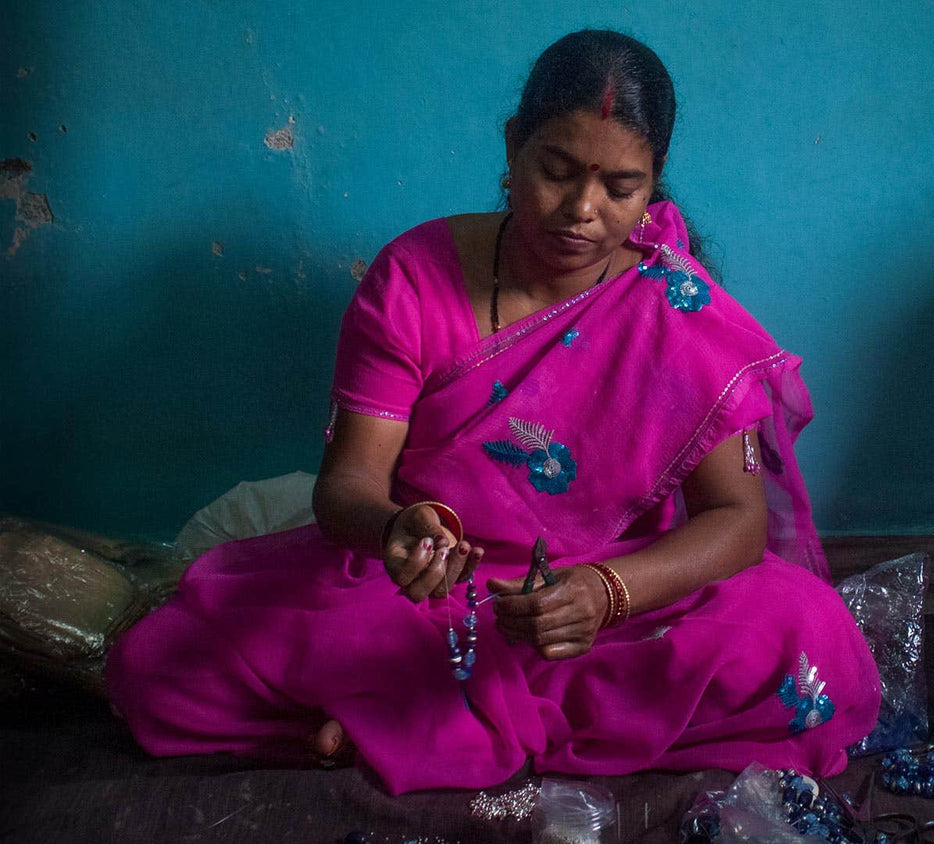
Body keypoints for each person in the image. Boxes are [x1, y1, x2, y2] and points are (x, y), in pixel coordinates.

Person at [106, 30, 880, 794]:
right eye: (556, 171)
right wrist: (394, 532)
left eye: (621, 187)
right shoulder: (414, 277)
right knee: (158, 668)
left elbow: (737, 522)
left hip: (605, 601)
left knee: (806, 636)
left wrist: (604, 593)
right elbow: (346, 490)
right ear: (513, 146)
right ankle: (437, 721)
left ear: (655, 180)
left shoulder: (676, 306)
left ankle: (396, 724)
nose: (582, 210)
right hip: (424, 592)